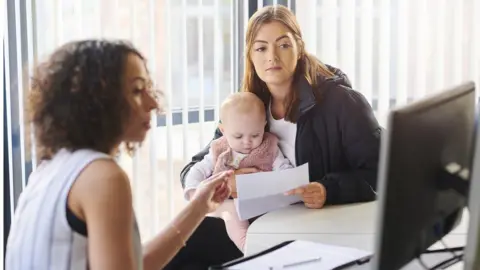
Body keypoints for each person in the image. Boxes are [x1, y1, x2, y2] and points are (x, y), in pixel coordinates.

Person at [172, 4, 382, 268]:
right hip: (255, 226)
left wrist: (327, 189)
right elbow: (197, 165)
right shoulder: (247, 105)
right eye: (261, 48)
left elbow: (380, 172)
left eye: (283, 45)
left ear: (299, 47)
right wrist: (226, 181)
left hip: (312, 232)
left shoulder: (342, 103)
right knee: (181, 248)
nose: (272, 56)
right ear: (250, 55)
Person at [5, 40, 235, 270]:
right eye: (136, 91)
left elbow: (131, 264)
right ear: (97, 102)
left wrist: (200, 206)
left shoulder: (50, 170)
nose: (153, 103)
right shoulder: (102, 177)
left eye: (149, 89)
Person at [183, 91, 293, 251]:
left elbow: (283, 168)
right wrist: (194, 192)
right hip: (229, 202)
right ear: (223, 130)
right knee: (232, 215)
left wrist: (288, 181)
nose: (247, 142)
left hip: (261, 203)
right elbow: (197, 170)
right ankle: (246, 247)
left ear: (264, 125)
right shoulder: (219, 149)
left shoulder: (269, 147)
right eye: (238, 136)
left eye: (255, 134)